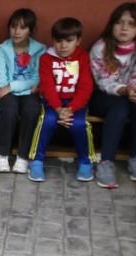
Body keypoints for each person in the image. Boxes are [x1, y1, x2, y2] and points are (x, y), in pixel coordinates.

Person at [88, 2, 136, 187]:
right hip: (103, 95)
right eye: (119, 22)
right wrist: (125, 90)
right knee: (119, 107)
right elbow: (103, 81)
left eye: (131, 24)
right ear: (112, 25)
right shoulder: (100, 47)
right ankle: (106, 162)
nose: (124, 28)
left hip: (131, 92)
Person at [27, 18, 97, 182]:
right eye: (58, 41)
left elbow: (86, 86)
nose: (63, 45)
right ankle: (36, 160)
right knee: (47, 120)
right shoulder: (46, 58)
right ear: (53, 41)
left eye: (69, 41)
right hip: (53, 102)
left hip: (76, 103)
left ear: (78, 41)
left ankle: (86, 161)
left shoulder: (84, 58)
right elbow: (47, 86)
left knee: (80, 124)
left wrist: (71, 109)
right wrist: (59, 109)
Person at [0, 8, 46, 174]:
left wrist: (12, 87)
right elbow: (1, 79)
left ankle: (23, 157)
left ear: (30, 30)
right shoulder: (2, 49)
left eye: (22, 28)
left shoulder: (40, 50)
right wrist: (16, 88)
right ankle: (1, 155)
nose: (16, 32)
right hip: (11, 93)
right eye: (13, 26)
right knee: (8, 110)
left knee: (32, 110)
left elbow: (37, 79)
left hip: (24, 92)